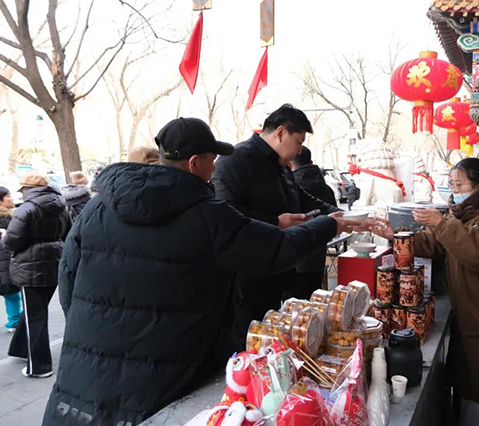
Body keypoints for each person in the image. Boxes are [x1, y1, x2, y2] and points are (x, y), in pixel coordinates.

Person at [42, 117, 356, 426]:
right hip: (165, 382)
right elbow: (276, 250)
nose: (216, 167)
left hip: (80, 387)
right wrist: (329, 224)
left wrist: (92, 330)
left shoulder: (97, 207)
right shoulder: (208, 216)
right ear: (195, 163)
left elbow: (67, 278)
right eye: (212, 159)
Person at [371, 158, 479, 426]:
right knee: (474, 391)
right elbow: (436, 244)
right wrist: (396, 235)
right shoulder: (466, 211)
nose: (454, 190)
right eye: (452, 184)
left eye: (459, 184)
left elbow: (478, 253)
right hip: (477, 313)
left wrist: (441, 223)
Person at [213, 104, 341, 346]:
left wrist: (339, 216)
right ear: (281, 133)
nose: (299, 150)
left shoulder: (279, 166)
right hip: (247, 280)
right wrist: (275, 222)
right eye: (298, 141)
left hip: (277, 273)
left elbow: (302, 198)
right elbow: (224, 213)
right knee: (249, 345)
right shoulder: (236, 159)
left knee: (270, 344)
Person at [3, 172, 71, 378]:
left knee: (35, 315)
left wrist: (4, 240)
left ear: (27, 189)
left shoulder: (26, 209)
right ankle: (21, 348)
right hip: (55, 262)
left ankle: (39, 366)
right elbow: (69, 232)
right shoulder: (61, 205)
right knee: (36, 310)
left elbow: (12, 241)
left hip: (30, 266)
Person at [290, 146, 337, 298]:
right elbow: (334, 215)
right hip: (318, 256)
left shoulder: (291, 188)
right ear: (310, 161)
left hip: (293, 258)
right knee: (313, 303)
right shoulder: (326, 188)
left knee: (293, 312)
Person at [0, 186, 22, 333]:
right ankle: (15, 321)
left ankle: (14, 321)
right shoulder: (6, 219)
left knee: (11, 293)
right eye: (8, 196)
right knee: (12, 293)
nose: (12, 198)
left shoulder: (10, 216)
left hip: (6, 261)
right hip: (6, 261)